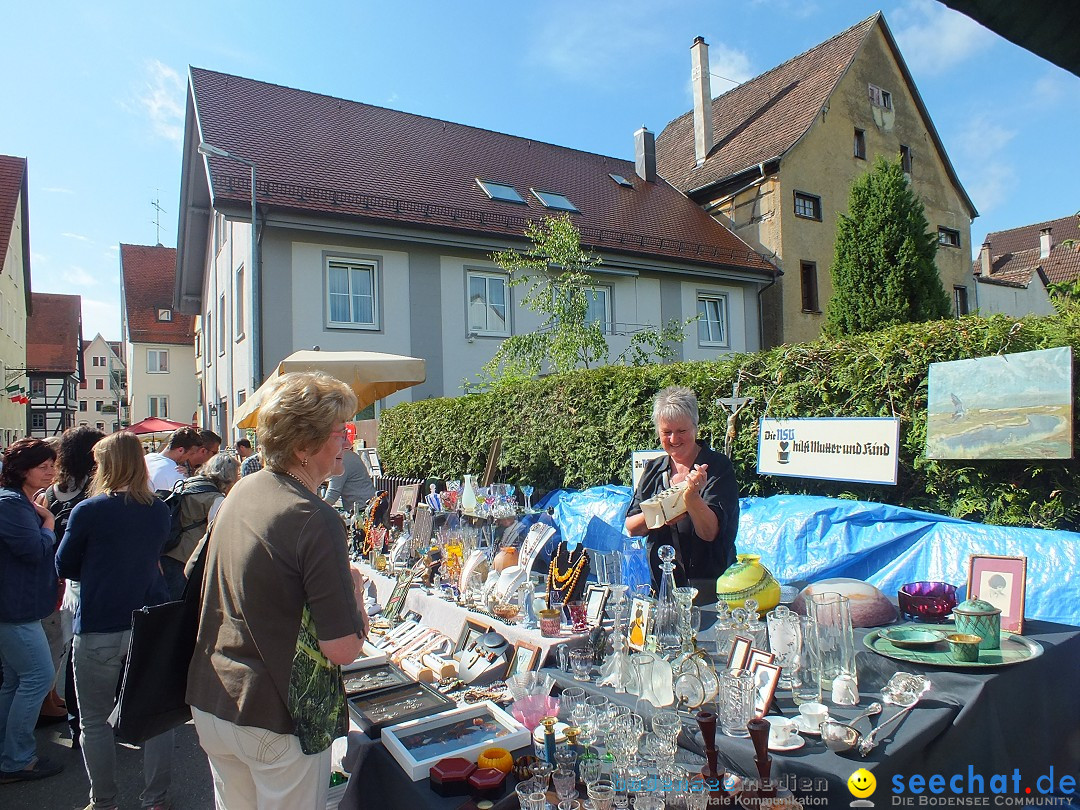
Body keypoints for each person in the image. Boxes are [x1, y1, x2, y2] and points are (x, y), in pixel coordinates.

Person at [187, 372, 368, 810]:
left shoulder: (241, 490)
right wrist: (357, 596)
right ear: (303, 447)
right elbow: (342, 648)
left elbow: (195, 574)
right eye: (340, 432)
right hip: (275, 715)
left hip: (213, 698)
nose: (348, 442)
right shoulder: (314, 516)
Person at [55, 431, 174, 810]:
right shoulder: (157, 509)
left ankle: (103, 800)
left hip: (99, 623)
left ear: (105, 466)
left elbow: (65, 564)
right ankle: (156, 798)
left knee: (94, 721)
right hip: (147, 620)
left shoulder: (88, 510)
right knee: (157, 718)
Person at [624, 386, 739, 603]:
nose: (674, 438)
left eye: (682, 431)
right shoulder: (654, 470)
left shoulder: (717, 467)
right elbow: (632, 527)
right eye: (666, 432)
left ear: (695, 428)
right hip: (662, 589)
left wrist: (691, 498)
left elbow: (709, 532)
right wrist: (665, 513)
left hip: (709, 591)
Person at [0, 438, 63, 783]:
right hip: (15, 607)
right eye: (43, 466)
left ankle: (9, 754)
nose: (50, 471)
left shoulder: (18, 502)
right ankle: (17, 759)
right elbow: (33, 550)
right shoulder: (11, 504)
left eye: (52, 464)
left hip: (16, 605)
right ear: (22, 470)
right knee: (37, 677)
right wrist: (50, 523)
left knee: (15, 681)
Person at [40, 425, 106, 745]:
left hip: (57, 577)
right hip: (87, 579)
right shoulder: (94, 490)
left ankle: (65, 712)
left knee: (64, 649)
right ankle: (87, 718)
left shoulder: (53, 490)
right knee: (81, 651)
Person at [160, 452, 239, 600]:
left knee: (168, 604)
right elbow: (216, 535)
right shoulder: (216, 498)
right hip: (187, 559)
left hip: (168, 549)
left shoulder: (188, 483)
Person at [144, 427, 202, 491]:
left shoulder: (147, 458)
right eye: (191, 454)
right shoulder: (176, 472)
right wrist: (186, 478)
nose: (189, 458)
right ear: (180, 450)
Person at [322, 444, 375, 513]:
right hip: (367, 505)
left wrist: (314, 510)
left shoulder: (340, 460)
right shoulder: (348, 455)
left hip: (363, 509)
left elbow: (332, 495)